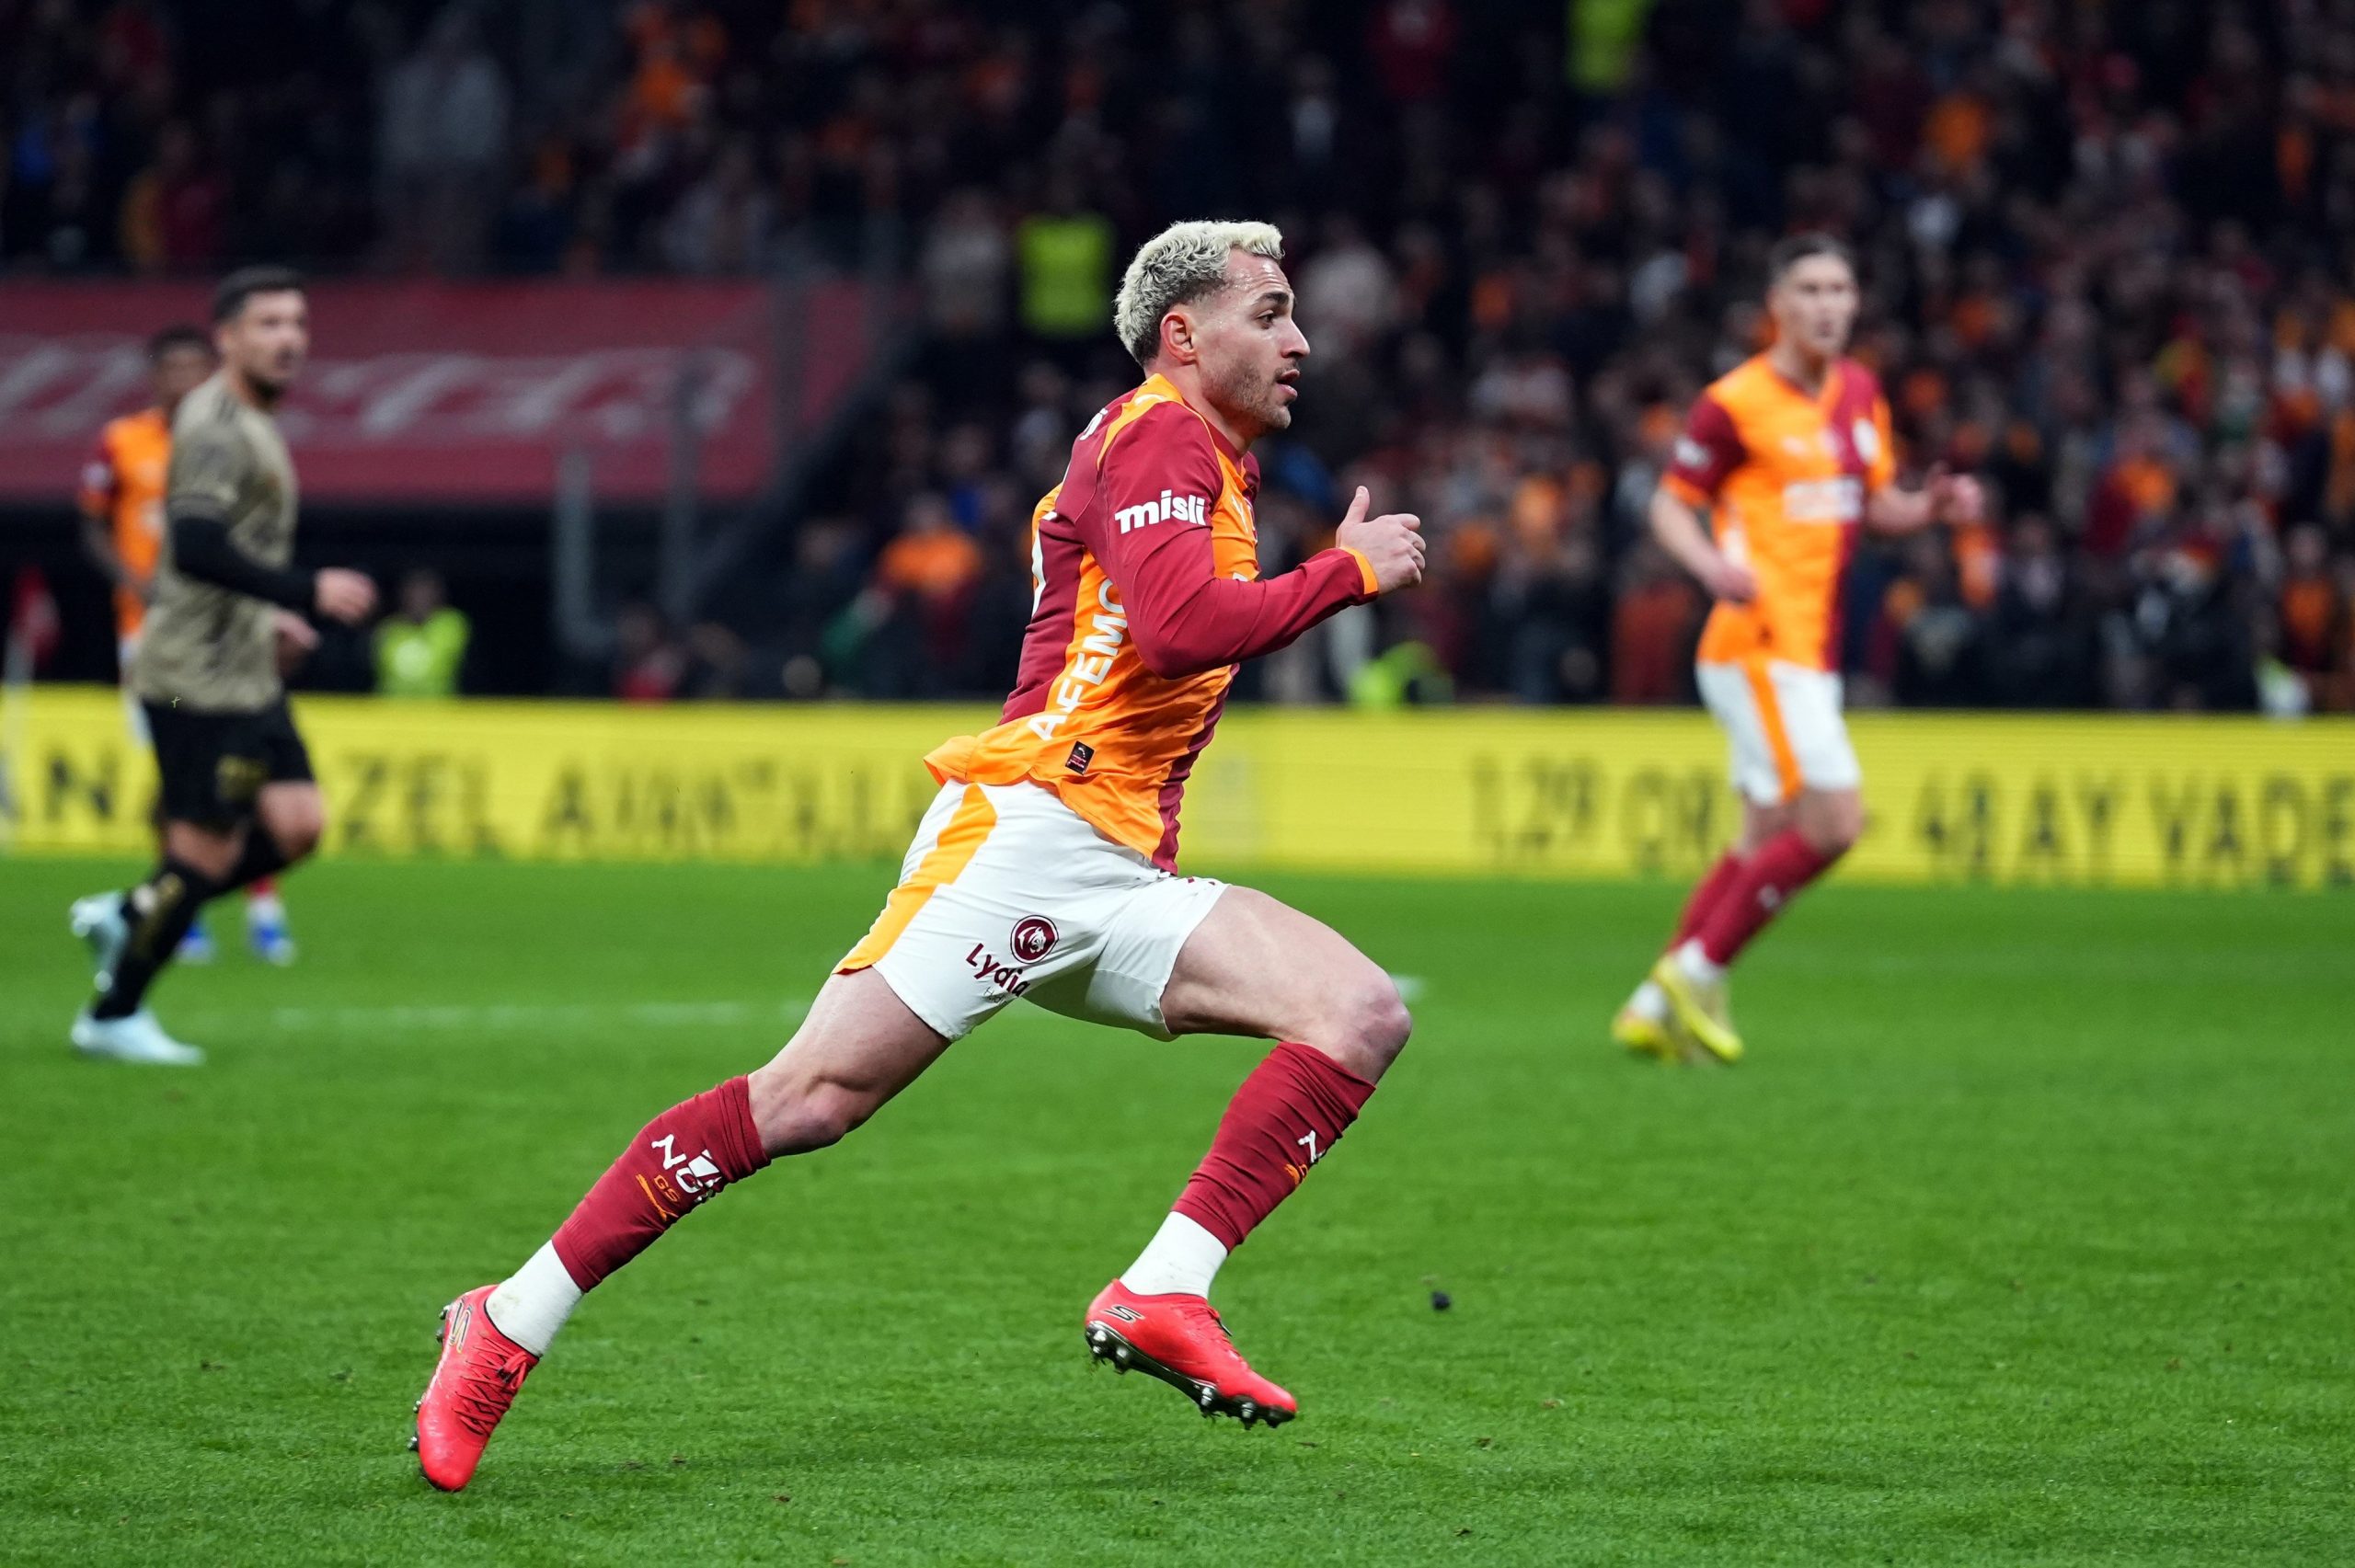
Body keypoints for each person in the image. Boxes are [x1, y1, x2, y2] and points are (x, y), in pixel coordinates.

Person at [413, 219, 1428, 1491]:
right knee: (807, 1101)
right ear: (1183, 334)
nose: (1301, 340)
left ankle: (1165, 1287)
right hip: (1029, 837)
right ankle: (507, 1319)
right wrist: (1344, 575)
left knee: (1357, 1014)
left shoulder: (1212, 462)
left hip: (1118, 870)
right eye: (1270, 313)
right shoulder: (1154, 434)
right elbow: (1179, 628)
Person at [1612, 234, 1984, 1064]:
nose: (1828, 305)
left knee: (1764, 834)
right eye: (1810, 289)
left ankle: (1651, 1004)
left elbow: (1872, 505)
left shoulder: (1860, 393)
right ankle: (1699, 971)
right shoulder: (1735, 402)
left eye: (1840, 290)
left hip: (1804, 649)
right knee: (1836, 821)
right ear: (1777, 305)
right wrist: (1709, 564)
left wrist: (1929, 507)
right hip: (1760, 641)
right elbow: (1670, 503)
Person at [66, 268, 379, 1065]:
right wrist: (305, 590)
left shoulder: (254, 420)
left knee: (298, 824)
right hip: (194, 677)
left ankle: (133, 911)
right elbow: (198, 545)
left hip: (245, 667)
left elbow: (223, 554)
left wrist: (268, 614)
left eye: (297, 323)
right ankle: (112, 1013)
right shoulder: (215, 425)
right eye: (268, 324)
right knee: (203, 848)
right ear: (228, 338)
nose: (289, 339)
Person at [79, 324, 300, 966]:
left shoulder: (235, 439)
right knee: (181, 773)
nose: (182, 380)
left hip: (232, 637)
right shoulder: (124, 440)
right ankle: (183, 907)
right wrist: (135, 584)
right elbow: (92, 524)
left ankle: (259, 905)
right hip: (154, 645)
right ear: (154, 376)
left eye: (192, 368)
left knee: (246, 767)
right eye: (170, 368)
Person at [375, 568, 470, 698]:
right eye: (414, 593)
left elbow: (442, 662)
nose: (420, 598)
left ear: (438, 594)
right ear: (404, 596)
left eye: (426, 592)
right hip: (393, 707)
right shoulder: (388, 628)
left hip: (440, 706)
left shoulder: (452, 623)